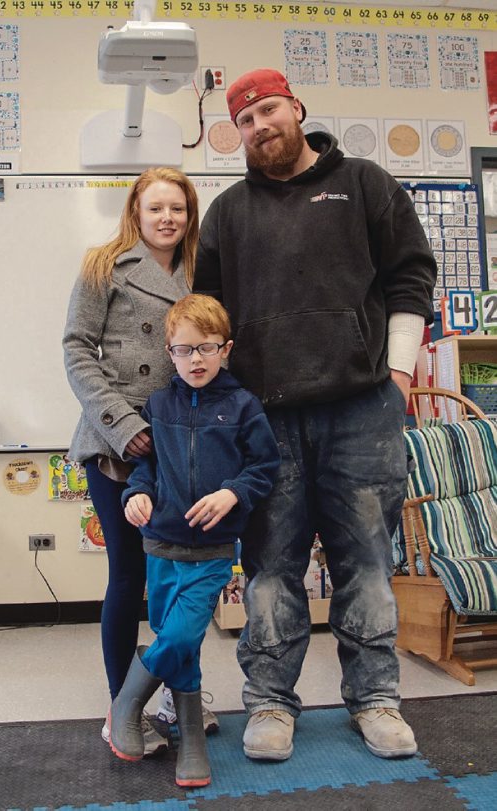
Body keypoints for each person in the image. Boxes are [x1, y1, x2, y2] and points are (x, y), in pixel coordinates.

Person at [193, 68, 438, 761]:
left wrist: (393, 372)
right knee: (271, 565)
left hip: (362, 411)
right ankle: (270, 701)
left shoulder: (363, 183)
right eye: (244, 120)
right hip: (264, 422)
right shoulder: (228, 213)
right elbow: (209, 314)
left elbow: (412, 274)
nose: (258, 126)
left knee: (366, 561)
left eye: (268, 110)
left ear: (296, 108)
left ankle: (376, 698)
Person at [63, 167, 217, 754]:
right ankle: (120, 705)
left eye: (177, 207)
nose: (167, 218)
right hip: (117, 442)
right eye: (156, 208)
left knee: (180, 577)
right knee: (128, 576)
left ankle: (181, 697)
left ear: (189, 212)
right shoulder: (104, 263)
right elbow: (77, 349)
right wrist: (124, 428)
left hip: (186, 438)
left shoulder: (203, 268)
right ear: (136, 210)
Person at [108, 293, 280, 786]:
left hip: (212, 550)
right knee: (179, 645)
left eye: (206, 348)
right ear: (169, 353)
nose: (195, 360)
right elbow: (147, 468)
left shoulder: (244, 405)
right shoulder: (158, 404)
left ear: (225, 349)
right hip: (159, 546)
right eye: (184, 350)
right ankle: (192, 741)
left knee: (182, 634)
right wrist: (135, 497)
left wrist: (233, 492)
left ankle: (128, 698)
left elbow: (265, 466)